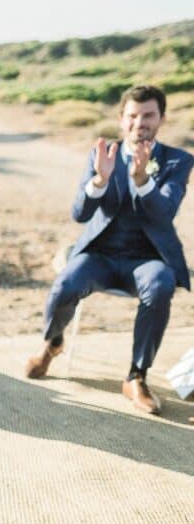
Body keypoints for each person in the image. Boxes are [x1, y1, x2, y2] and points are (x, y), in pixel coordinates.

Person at [25, 85, 192, 415]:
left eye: (148, 115)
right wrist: (99, 182)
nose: (139, 122)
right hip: (100, 256)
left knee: (161, 286)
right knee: (65, 284)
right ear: (121, 119)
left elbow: (165, 212)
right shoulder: (103, 153)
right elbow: (79, 214)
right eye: (133, 115)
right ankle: (53, 343)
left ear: (162, 118)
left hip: (148, 259)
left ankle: (136, 377)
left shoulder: (177, 160)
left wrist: (143, 180)